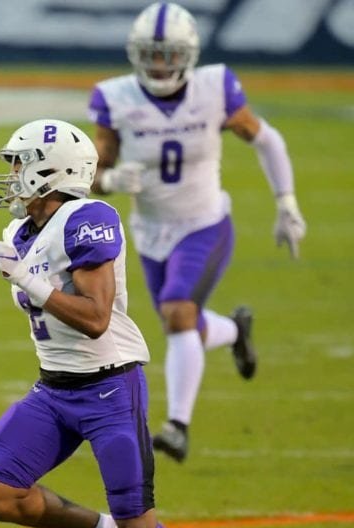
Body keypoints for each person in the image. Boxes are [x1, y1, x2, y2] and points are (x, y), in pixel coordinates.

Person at [0, 118, 222, 528]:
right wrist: (27, 275)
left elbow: (95, 319)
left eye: (20, 163)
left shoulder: (88, 218)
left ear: (51, 169)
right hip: (54, 389)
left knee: (143, 522)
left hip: (110, 387)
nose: (11, 175)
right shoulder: (24, 233)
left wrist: (29, 281)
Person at [88, 2, 307, 462]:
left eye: (168, 54)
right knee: (183, 321)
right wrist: (108, 180)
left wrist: (285, 201)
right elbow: (89, 173)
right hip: (149, 233)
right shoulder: (116, 97)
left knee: (176, 313)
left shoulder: (215, 87)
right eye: (151, 53)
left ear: (188, 54)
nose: (159, 64)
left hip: (205, 223)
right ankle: (235, 330)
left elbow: (266, 138)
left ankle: (178, 426)